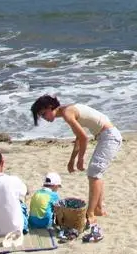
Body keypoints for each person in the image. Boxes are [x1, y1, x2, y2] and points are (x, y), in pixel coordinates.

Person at [30, 96, 122, 243]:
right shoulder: (68, 111)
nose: (44, 118)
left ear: (49, 107)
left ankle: (91, 213)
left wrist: (80, 159)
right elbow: (79, 138)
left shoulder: (67, 113)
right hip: (106, 136)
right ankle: (98, 208)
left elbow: (84, 138)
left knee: (94, 174)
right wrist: (72, 160)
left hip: (110, 137)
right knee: (95, 173)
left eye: (43, 114)